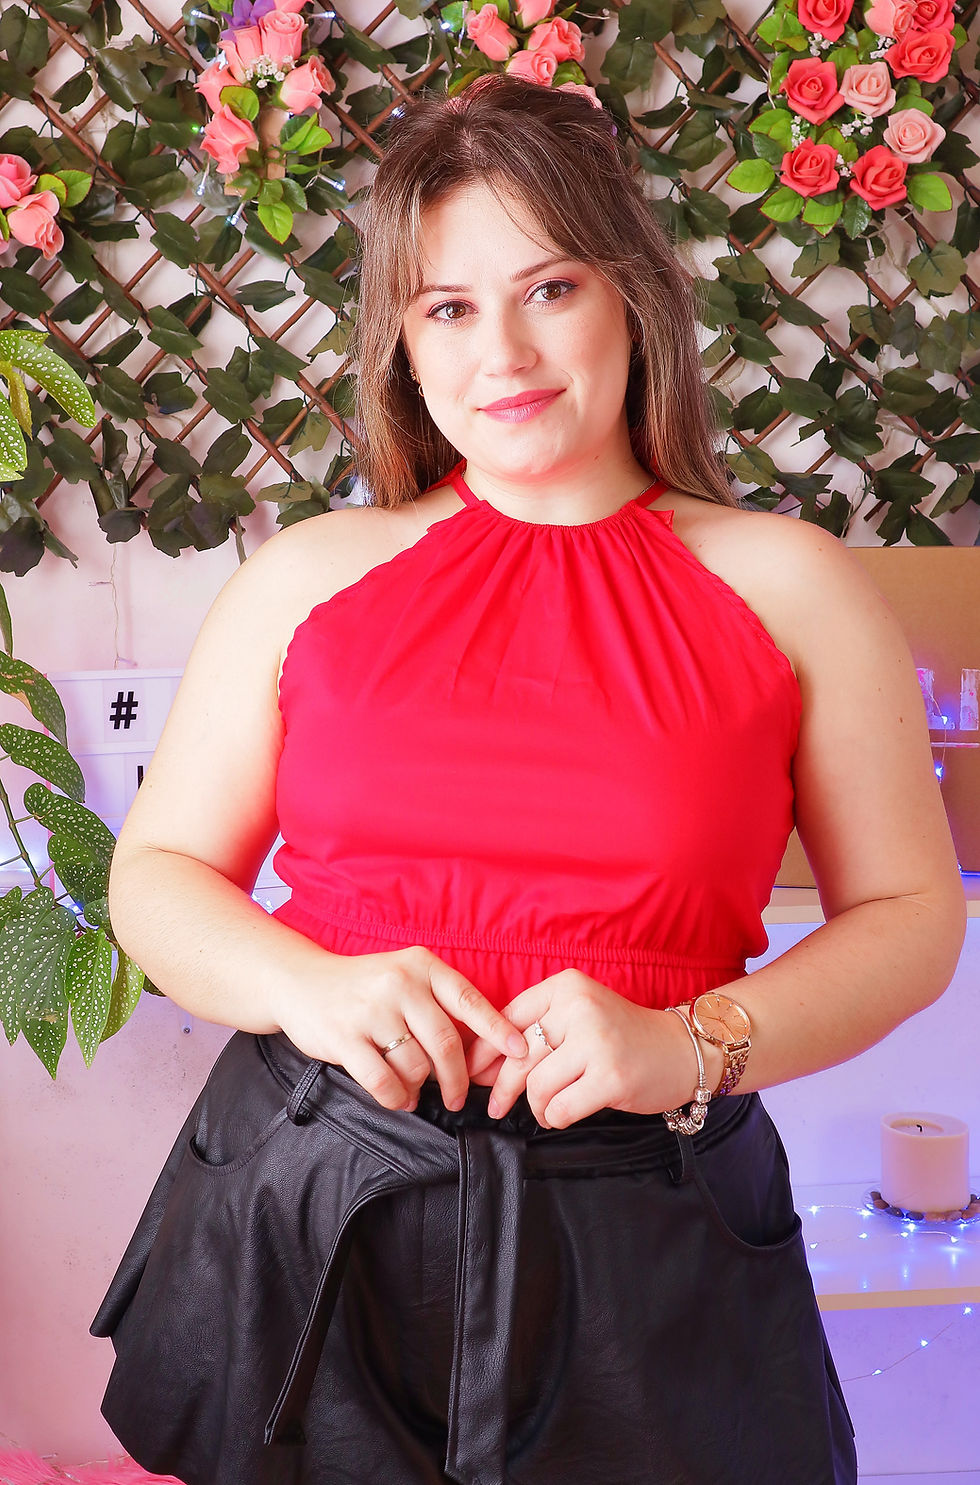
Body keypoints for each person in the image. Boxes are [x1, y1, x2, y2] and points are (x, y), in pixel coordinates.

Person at [90, 73, 966, 1485]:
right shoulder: (305, 577)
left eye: (549, 288)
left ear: (631, 297)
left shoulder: (792, 585)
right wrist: (309, 986)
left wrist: (692, 1041)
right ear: (402, 342)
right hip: (315, 1203)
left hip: (652, 1228)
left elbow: (913, 915)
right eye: (446, 307)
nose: (501, 351)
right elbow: (158, 875)